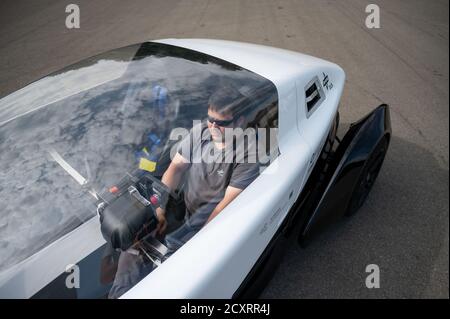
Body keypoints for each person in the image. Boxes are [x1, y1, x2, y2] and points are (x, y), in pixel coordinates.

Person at [107, 86, 260, 298]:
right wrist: (160, 208)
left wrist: (199, 243)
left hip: (206, 223)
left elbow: (225, 206)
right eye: (210, 119)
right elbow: (176, 168)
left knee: (170, 275)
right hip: (180, 210)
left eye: (222, 123)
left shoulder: (248, 154)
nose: (213, 126)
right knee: (133, 247)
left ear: (241, 122)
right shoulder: (201, 132)